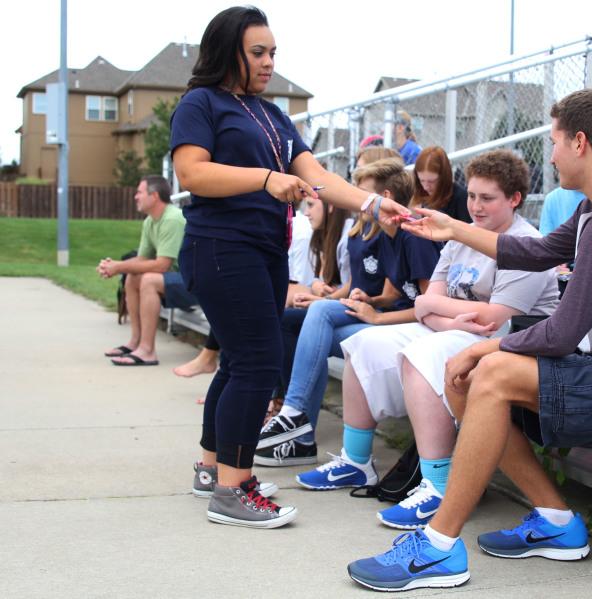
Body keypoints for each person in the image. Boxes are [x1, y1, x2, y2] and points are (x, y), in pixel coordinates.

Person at [346, 89, 592, 591]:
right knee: (465, 379)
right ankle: (558, 523)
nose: (551, 153)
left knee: (489, 369)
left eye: (555, 141)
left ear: (580, 142)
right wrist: (451, 228)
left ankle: (437, 547)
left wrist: (483, 346)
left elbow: (565, 331)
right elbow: (539, 250)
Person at [170, 6, 408, 529]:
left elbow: (317, 175)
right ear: (229, 50)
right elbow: (191, 171)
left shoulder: (272, 115)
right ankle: (234, 490)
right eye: (258, 52)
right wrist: (263, 179)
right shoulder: (200, 103)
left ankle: (213, 471)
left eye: (273, 52)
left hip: (262, 251)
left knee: (238, 360)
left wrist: (372, 205)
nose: (269, 62)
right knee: (258, 361)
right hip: (221, 247)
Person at [295, 150, 559, 532]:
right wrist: (440, 309)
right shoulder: (461, 236)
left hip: (505, 344)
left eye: (488, 199)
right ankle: (356, 463)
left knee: (421, 354)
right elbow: (424, 301)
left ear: (515, 199)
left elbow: (492, 319)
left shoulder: (525, 242)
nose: (476, 207)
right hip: (455, 329)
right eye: (472, 196)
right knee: (366, 342)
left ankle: (437, 484)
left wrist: (437, 308)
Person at [255, 158, 440, 465]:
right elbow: (394, 293)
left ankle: (296, 421)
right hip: (392, 322)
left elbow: (430, 309)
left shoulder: (412, 237)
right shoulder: (385, 234)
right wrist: (370, 299)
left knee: (320, 317)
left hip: (413, 331)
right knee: (317, 328)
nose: (356, 199)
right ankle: (298, 429)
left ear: (387, 198)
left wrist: (378, 316)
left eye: (363, 193)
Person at [98, 175, 193, 367]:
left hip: (195, 282)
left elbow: (161, 265)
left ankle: (148, 351)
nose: (135, 197)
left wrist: (119, 267)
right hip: (176, 279)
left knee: (149, 279)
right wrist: (115, 265)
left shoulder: (172, 219)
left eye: (139, 192)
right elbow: (142, 258)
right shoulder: (151, 221)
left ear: (155, 196)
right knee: (133, 277)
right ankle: (136, 343)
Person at [411, 146, 472, 223]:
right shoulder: (424, 193)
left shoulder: (461, 197)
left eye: (431, 181)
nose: (426, 187)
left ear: (444, 177)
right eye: (421, 180)